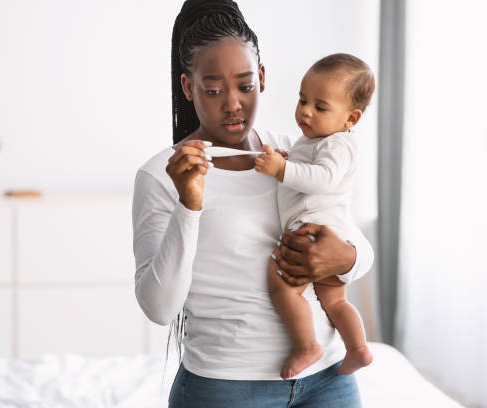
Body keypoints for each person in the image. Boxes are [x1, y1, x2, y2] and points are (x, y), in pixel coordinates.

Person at [132, 1, 374, 406]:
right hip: (226, 387)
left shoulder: (297, 153)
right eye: (212, 90)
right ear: (188, 87)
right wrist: (189, 205)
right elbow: (159, 307)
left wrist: (344, 258)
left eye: (245, 85)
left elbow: (356, 247)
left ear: (261, 78)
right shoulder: (162, 175)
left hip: (329, 378)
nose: (232, 103)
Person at [254, 53, 375, 380]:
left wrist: (282, 169)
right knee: (335, 302)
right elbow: (306, 169)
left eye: (320, 107)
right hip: (326, 231)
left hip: (312, 231)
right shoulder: (313, 141)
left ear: (351, 119)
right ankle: (358, 348)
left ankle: (306, 345)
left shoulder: (339, 144)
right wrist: (287, 158)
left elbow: (321, 179)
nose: (305, 111)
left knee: (280, 282)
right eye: (302, 99)